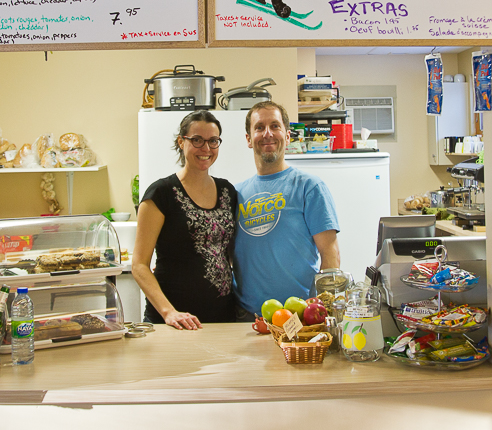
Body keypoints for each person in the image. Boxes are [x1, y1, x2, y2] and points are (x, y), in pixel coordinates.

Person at [232, 101, 341, 322]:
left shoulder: (309, 187)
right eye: (259, 127)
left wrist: (317, 308)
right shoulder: (235, 194)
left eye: (275, 126)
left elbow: (330, 256)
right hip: (246, 319)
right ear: (248, 139)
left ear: (288, 136)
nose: (267, 134)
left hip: (299, 316)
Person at [132, 111, 237, 330]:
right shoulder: (161, 193)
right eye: (197, 140)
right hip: (173, 322)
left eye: (213, 141)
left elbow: (232, 254)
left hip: (223, 317)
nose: (206, 149)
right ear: (181, 141)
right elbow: (139, 265)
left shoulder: (228, 191)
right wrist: (169, 312)